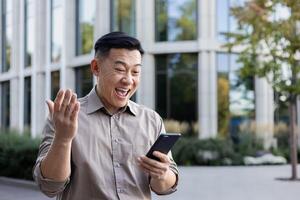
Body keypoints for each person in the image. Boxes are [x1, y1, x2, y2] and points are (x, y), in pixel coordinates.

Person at [33, 31, 179, 200]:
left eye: (135, 72)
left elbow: (164, 187)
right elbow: (49, 186)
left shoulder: (151, 120)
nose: (128, 80)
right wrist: (63, 139)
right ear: (96, 67)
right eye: (120, 69)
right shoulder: (65, 117)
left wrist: (162, 174)